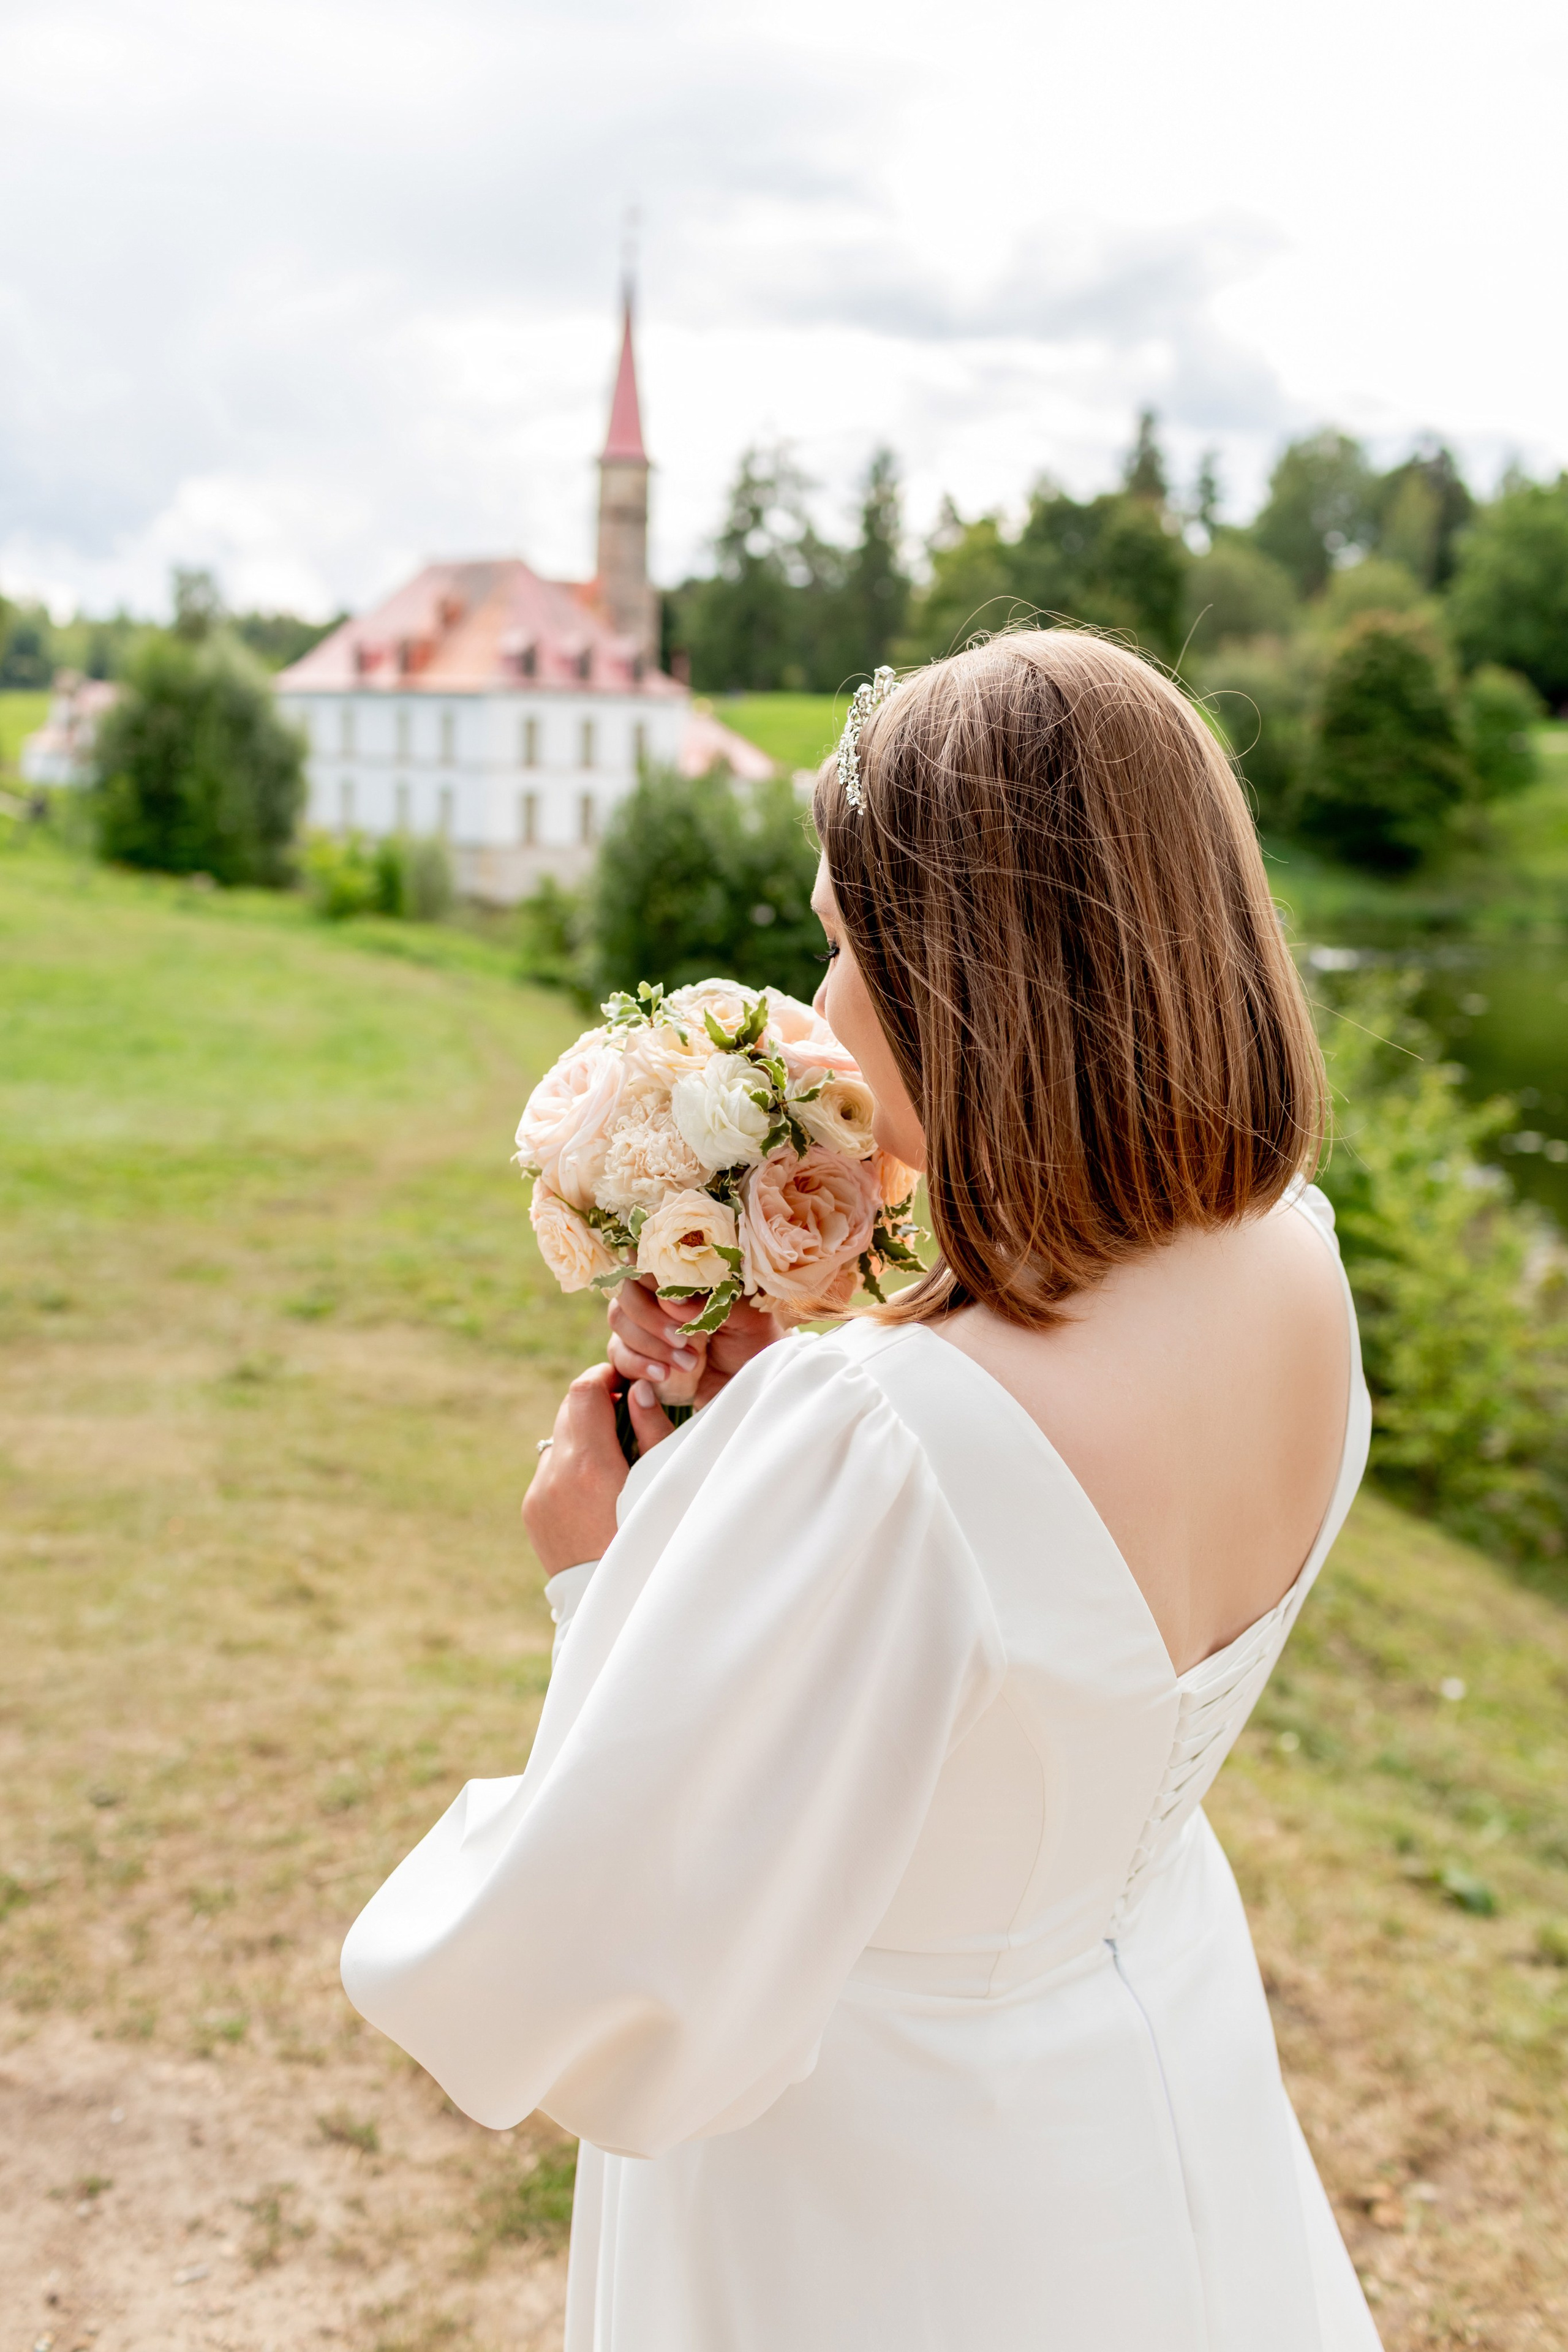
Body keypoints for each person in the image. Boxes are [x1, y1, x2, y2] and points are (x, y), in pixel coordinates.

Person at [341, 630, 1381, 2351]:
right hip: (1150, 2074)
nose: (821, 1012)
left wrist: (608, 1567)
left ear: (968, 979)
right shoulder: (1295, 1266)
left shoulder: (889, 1444)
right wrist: (759, 1466)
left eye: (839, 946)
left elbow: (612, 1969)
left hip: (889, 2194)